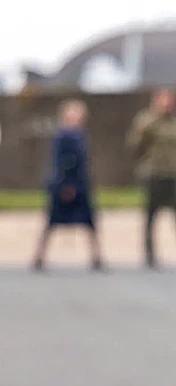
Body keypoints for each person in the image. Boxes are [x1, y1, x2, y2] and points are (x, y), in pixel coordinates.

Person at [126, 88, 176, 269]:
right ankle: (149, 255)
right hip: (154, 173)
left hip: (174, 173)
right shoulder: (146, 121)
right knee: (150, 216)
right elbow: (135, 146)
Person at [32, 99, 104, 272]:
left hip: (81, 184)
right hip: (65, 185)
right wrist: (66, 185)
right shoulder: (63, 136)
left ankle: (96, 257)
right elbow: (61, 162)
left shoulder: (81, 135)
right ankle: (39, 257)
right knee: (52, 221)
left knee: (90, 222)